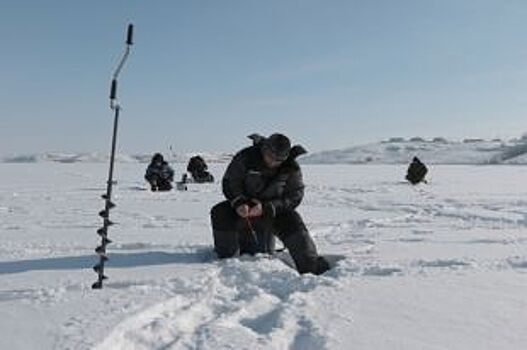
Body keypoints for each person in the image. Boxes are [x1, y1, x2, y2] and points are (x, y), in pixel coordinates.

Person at [210, 133, 330, 275]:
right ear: (264, 149)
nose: (273, 162)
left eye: (278, 160)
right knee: (220, 212)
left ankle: (311, 267)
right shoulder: (246, 157)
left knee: (293, 221)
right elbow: (230, 182)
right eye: (270, 157)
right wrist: (238, 202)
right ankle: (227, 261)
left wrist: (268, 207)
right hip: (244, 207)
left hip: (274, 210)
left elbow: (295, 196)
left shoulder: (291, 168)